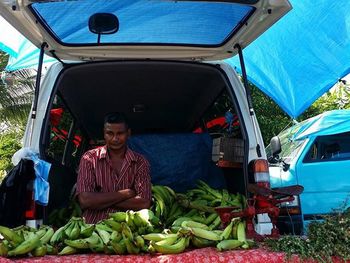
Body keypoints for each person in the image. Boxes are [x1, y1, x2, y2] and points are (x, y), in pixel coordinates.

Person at [76, 112, 151, 224]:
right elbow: (85, 200)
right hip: (92, 228)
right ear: (104, 134)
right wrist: (126, 193)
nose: (115, 138)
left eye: (120, 133)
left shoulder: (140, 162)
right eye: (110, 133)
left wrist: (99, 200)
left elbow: (144, 202)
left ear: (128, 133)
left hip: (128, 229)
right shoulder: (89, 158)